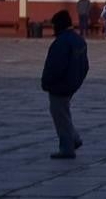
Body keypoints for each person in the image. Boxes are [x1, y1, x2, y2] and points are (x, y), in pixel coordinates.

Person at [42, 10, 89, 159]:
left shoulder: (61, 42)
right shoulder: (79, 40)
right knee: (64, 112)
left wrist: (47, 82)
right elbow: (85, 66)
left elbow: (55, 66)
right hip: (71, 84)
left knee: (60, 115)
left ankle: (67, 148)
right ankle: (74, 138)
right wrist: (76, 81)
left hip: (60, 85)